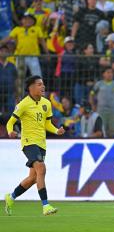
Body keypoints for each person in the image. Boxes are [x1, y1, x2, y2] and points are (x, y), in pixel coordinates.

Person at [4, 75, 65, 216]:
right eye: (39, 84)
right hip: (28, 142)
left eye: (43, 84)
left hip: (41, 143)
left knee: (33, 178)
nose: (43, 87)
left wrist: (57, 130)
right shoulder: (23, 104)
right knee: (41, 169)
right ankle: (46, 206)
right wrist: (10, 131)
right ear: (30, 88)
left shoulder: (47, 103)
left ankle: (11, 197)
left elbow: (47, 123)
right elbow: (10, 122)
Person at [89, 66, 114, 138]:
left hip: (113, 110)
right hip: (101, 111)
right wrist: (92, 105)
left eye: (111, 72)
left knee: (113, 131)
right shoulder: (99, 84)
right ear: (103, 74)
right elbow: (91, 94)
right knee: (102, 130)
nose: (110, 74)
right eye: (108, 72)